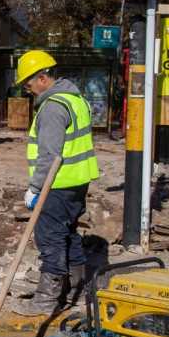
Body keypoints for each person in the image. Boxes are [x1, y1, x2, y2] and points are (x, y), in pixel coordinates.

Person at [12, 50, 99, 317]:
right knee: (69, 234)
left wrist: (35, 189)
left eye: (27, 83)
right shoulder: (75, 99)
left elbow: (50, 155)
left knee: (50, 239)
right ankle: (76, 291)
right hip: (77, 183)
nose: (27, 90)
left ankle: (46, 300)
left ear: (42, 77)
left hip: (57, 184)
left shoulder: (52, 107)